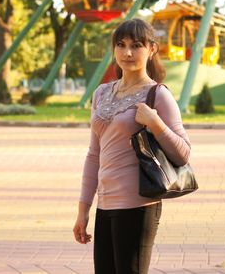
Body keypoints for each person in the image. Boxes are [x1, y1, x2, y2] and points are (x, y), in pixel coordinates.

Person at [73, 18, 191, 274]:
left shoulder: (158, 94)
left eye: (136, 45)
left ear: (151, 50)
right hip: (105, 205)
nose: (127, 52)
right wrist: (83, 210)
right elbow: (94, 155)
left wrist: (156, 122)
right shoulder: (102, 94)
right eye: (121, 44)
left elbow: (183, 153)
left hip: (138, 206)